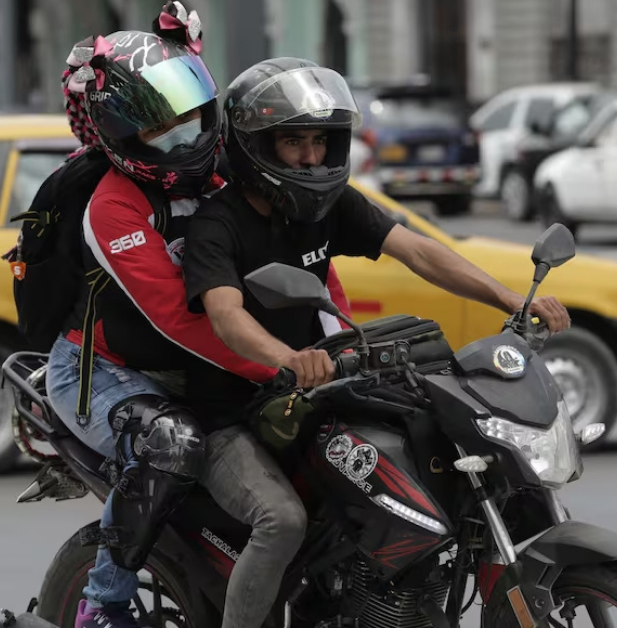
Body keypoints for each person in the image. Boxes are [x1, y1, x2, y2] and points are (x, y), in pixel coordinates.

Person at [180, 57, 573, 628]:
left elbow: (416, 251)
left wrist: (512, 300)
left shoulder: (328, 205)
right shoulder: (218, 225)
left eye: (319, 141)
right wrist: (288, 358)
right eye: (293, 143)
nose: (311, 157)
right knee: (281, 521)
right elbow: (225, 314)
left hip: (313, 394)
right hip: (233, 409)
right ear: (254, 147)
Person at [36, 6, 355, 628]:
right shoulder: (113, 209)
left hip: (207, 371)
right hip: (107, 374)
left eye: (192, 117)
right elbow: (175, 322)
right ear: (121, 134)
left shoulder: (224, 177)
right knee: (169, 442)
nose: (187, 136)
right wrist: (283, 366)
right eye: (164, 130)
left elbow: (309, 265)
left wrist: (340, 345)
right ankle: (102, 604)